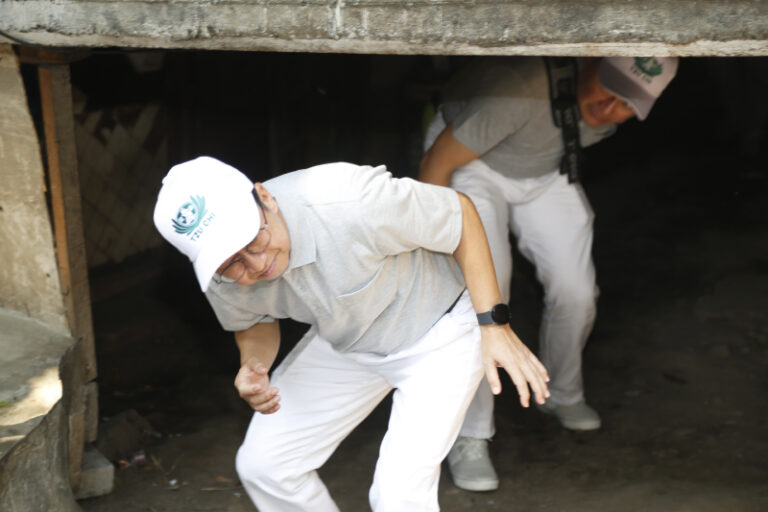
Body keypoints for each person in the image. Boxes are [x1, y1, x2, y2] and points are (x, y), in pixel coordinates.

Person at [152, 156, 550, 511]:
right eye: (232, 262)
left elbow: (459, 213)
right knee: (266, 465)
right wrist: (253, 363)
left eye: (252, 239)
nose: (254, 266)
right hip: (348, 337)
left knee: (398, 496)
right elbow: (253, 320)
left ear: (265, 198)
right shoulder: (219, 274)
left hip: (440, 330)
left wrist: (494, 325)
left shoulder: (347, 199)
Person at [419, 56, 679, 491]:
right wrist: (433, 245)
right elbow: (436, 163)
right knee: (484, 298)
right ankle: (469, 433)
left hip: (544, 167)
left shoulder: (602, 110)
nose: (610, 108)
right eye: (609, 89)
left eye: (627, 103)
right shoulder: (518, 90)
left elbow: (577, 127)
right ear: (590, 60)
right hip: (472, 164)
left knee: (577, 291)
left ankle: (561, 393)